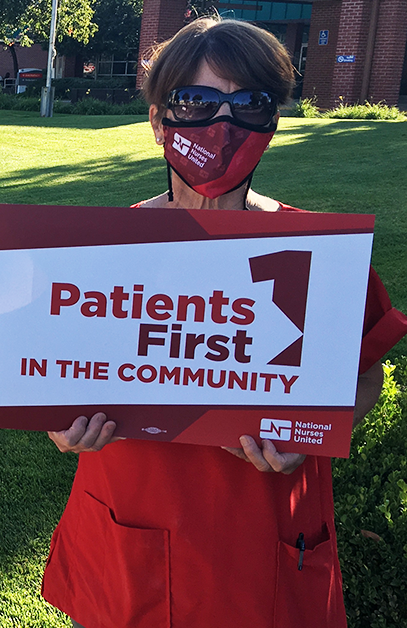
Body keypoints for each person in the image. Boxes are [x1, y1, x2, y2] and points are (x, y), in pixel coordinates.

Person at [40, 18, 407, 628]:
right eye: (197, 102)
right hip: (128, 518)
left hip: (265, 532)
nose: (223, 124)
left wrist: (312, 431)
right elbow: (54, 382)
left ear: (273, 123)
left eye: (250, 105)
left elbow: (365, 376)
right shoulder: (101, 256)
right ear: (158, 120)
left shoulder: (322, 256)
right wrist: (60, 425)